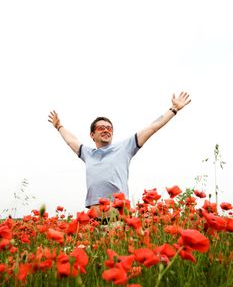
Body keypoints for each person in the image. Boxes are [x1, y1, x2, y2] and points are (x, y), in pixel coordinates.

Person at [48, 91, 191, 217]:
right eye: (101, 128)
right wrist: (58, 126)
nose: (106, 130)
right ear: (92, 134)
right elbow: (71, 140)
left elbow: (152, 127)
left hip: (117, 219)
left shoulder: (125, 147)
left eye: (109, 128)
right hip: (93, 222)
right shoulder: (88, 153)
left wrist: (174, 109)